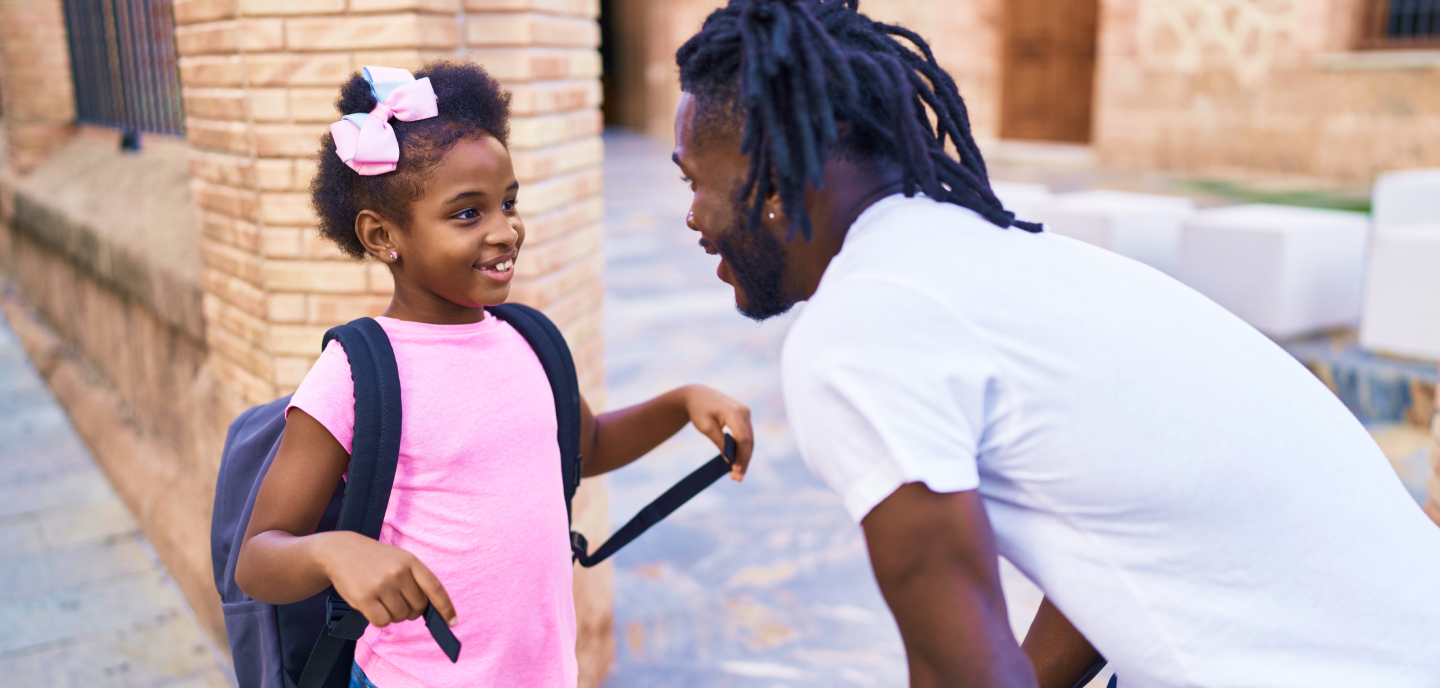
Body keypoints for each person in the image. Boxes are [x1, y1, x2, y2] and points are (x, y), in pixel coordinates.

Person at [671, 1, 1440, 687]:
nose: (690, 216)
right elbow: (1122, 532)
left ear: (768, 187)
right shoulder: (982, 258)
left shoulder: (860, 330)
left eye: (691, 180)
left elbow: (961, 674)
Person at [234, 61, 755, 688]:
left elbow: (584, 447)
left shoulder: (525, 338)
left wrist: (681, 403)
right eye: (466, 214)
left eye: (508, 202)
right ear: (381, 235)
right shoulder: (356, 370)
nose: (505, 231)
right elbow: (258, 557)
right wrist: (332, 551)